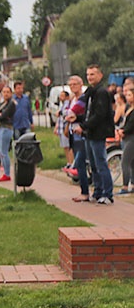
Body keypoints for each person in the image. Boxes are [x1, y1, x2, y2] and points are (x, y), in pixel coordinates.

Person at [71, 64, 116, 204]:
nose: (90, 77)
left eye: (93, 74)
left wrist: (83, 126)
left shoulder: (102, 92)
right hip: (89, 133)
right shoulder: (91, 92)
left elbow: (99, 115)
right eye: (88, 74)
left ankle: (107, 194)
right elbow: (88, 113)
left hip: (98, 133)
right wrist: (77, 119)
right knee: (93, 164)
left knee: (100, 162)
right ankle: (97, 191)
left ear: (100, 75)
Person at [0, 85, 16, 182]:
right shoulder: (2, 103)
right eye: (4, 92)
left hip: (6, 128)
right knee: (0, 151)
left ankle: (7, 173)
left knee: (4, 151)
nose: (5, 94)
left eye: (7, 92)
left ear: (11, 93)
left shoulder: (11, 104)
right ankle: (5, 171)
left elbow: (3, 115)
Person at [118, 80, 134, 194]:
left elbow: (131, 124)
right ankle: (132, 184)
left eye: (129, 95)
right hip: (126, 137)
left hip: (131, 137)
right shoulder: (128, 108)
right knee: (132, 162)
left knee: (125, 161)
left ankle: (125, 186)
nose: (127, 97)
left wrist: (123, 130)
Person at [55, 89, 74, 170]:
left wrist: (60, 112)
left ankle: (71, 163)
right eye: (60, 96)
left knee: (68, 146)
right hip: (61, 127)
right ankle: (69, 162)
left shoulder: (67, 104)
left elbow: (67, 113)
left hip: (65, 128)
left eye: (62, 96)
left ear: (67, 97)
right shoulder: (61, 105)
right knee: (65, 146)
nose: (60, 97)